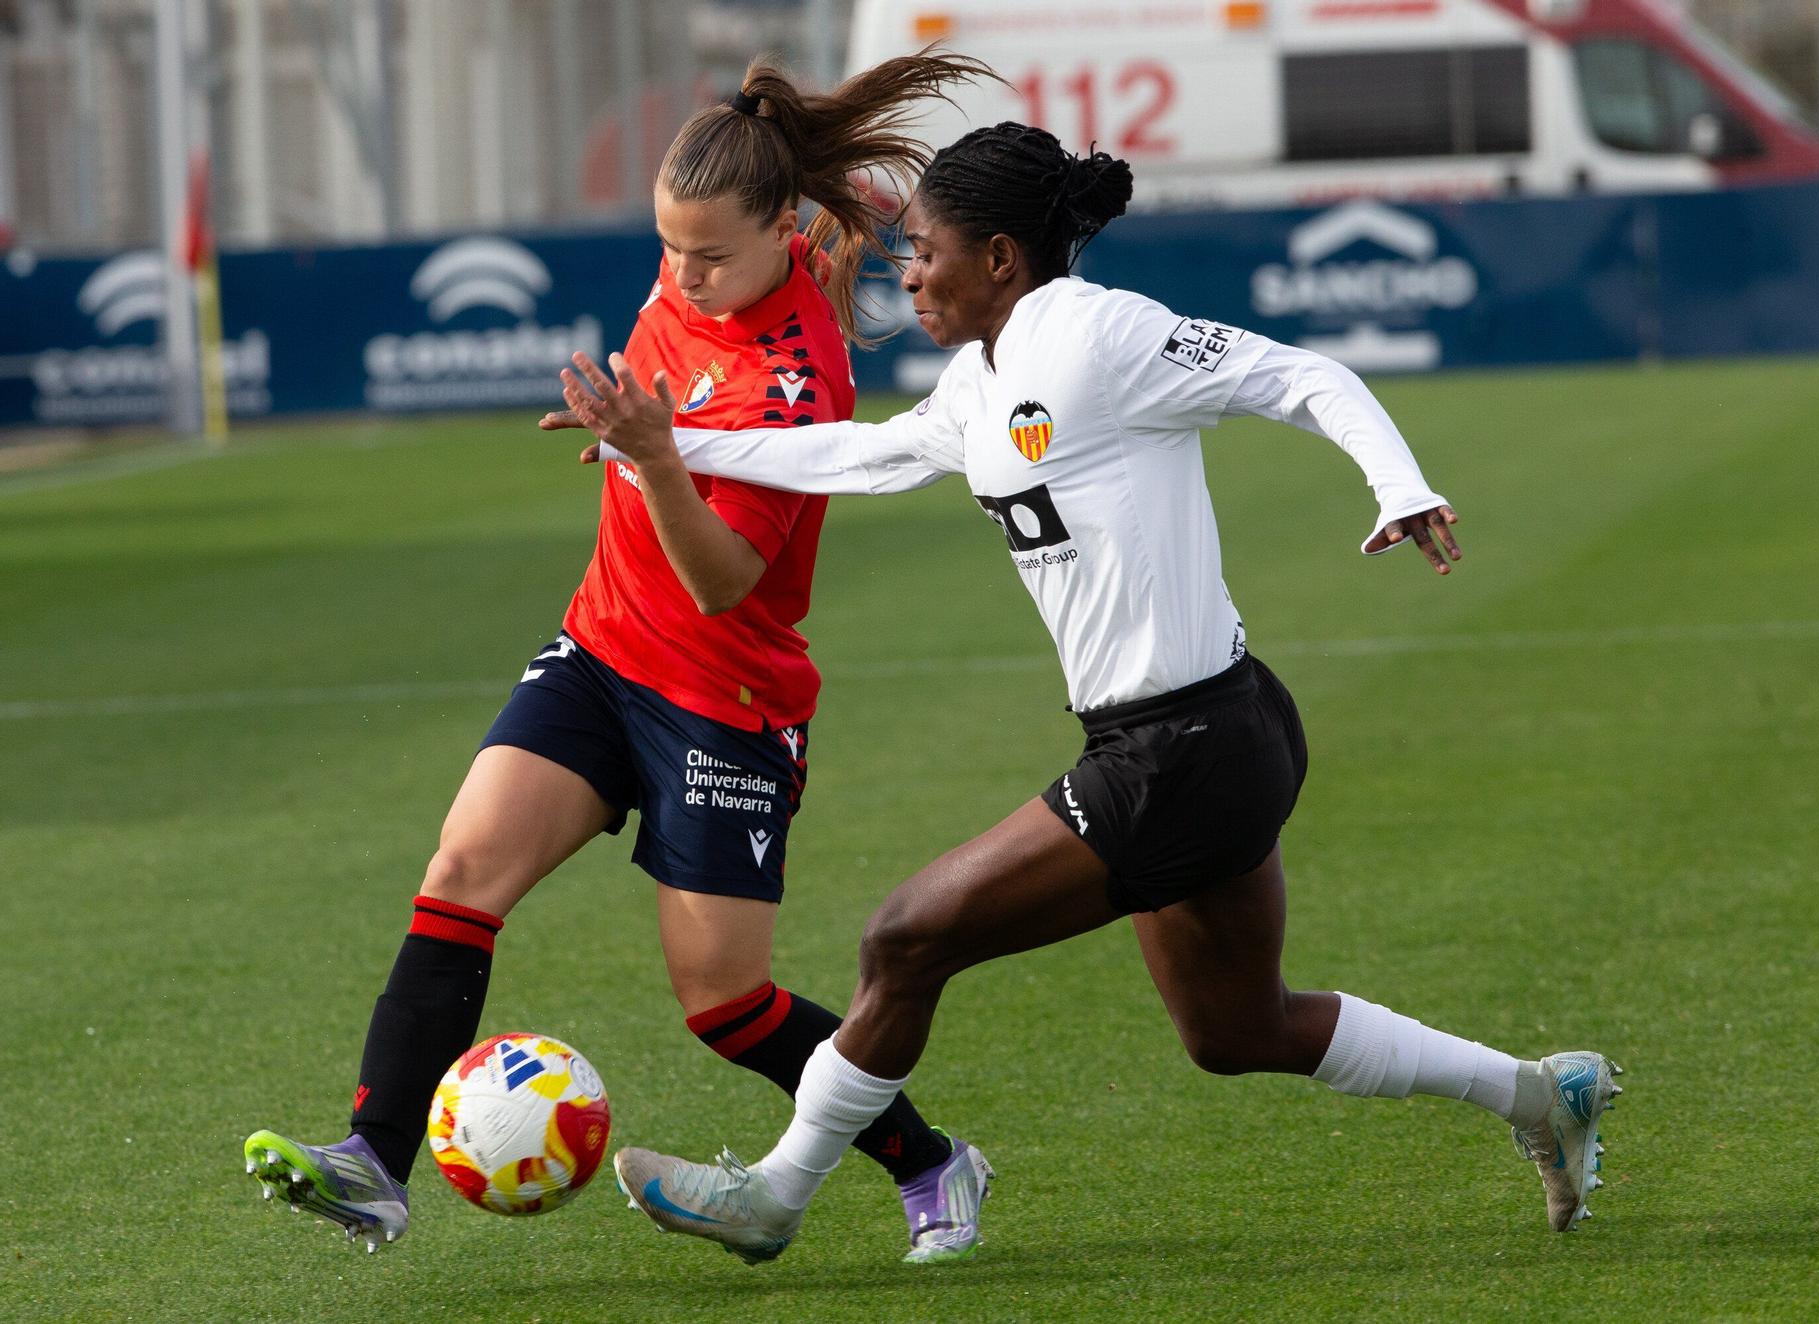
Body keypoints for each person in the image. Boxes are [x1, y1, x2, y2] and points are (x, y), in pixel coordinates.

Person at [547, 122, 1625, 1264]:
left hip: (1186, 746)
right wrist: (658, 450)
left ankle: (777, 1192)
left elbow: (1299, 375)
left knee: (906, 937)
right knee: (1232, 1028)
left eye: (923, 250)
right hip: (1205, 737)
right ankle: (1537, 1093)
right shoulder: (976, 383)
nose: (903, 272)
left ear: (1002, 258)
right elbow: (855, 456)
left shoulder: (1104, 334)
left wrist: (1397, 484)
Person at [241, 53, 1008, 1266]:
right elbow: (660, 438)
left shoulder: (799, 377)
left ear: (777, 234)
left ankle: (929, 1159)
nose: (681, 274)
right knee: (462, 869)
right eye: (667, 248)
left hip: (727, 698)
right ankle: (375, 1163)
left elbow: (723, 584)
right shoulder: (691, 270)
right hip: (601, 650)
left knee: (724, 1004)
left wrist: (650, 455)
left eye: (706, 255)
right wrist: (634, 437)